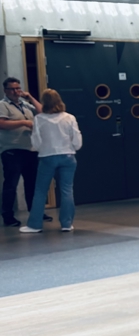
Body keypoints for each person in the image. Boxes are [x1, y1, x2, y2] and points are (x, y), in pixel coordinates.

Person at [19, 89, 81, 233]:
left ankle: (34, 225)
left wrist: (43, 149)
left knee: (41, 191)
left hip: (47, 157)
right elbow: (77, 139)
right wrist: (73, 148)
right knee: (67, 190)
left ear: (44, 102)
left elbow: (36, 141)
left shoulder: (39, 119)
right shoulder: (69, 117)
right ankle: (66, 224)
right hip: (68, 156)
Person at [0, 77, 47, 227]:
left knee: (32, 183)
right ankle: (8, 216)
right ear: (5, 90)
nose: (16, 92)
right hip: (12, 150)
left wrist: (31, 97)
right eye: (12, 89)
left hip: (30, 149)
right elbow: (2, 124)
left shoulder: (25, 104)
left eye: (18, 88)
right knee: (11, 184)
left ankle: (35, 212)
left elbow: (43, 112)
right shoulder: (3, 105)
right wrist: (23, 122)